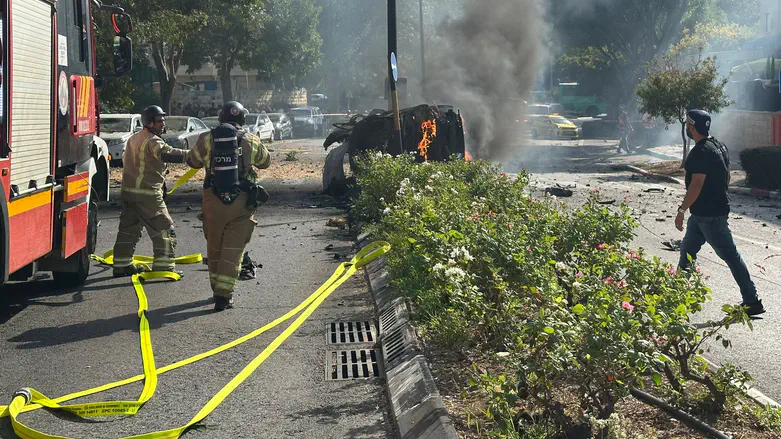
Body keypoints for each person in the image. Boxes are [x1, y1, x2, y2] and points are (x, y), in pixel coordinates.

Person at [676, 109, 765, 316]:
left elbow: (696, 185)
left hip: (709, 216)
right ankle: (676, 293)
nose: (687, 128)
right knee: (687, 251)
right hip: (702, 215)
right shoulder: (719, 146)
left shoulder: (699, 152)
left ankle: (752, 301)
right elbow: (726, 177)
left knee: (731, 256)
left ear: (691, 125)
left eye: (688, 125)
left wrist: (681, 210)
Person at [186, 101, 271, 311]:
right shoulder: (250, 139)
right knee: (233, 249)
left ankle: (216, 288)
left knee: (214, 246)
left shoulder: (207, 139)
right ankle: (223, 296)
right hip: (241, 201)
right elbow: (265, 161)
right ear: (242, 118)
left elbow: (192, 161)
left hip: (212, 200)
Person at [112, 105, 189, 277]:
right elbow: (167, 154)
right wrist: (192, 155)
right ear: (150, 122)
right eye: (159, 120)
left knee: (128, 230)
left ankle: (122, 265)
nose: (163, 124)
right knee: (164, 229)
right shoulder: (153, 140)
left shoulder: (133, 139)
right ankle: (164, 267)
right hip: (148, 195)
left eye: (163, 120)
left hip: (129, 194)